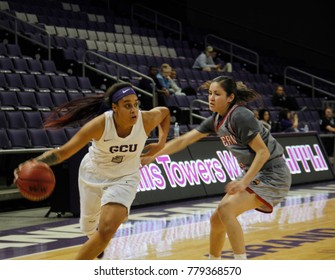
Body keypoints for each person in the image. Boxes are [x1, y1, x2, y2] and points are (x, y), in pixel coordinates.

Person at [13, 82, 171, 260]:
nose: (134, 110)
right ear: (114, 107)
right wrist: (33, 163)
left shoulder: (146, 120)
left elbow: (164, 112)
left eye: (136, 104)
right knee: (88, 226)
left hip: (125, 177)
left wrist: (161, 142)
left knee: (107, 230)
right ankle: (94, 239)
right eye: (127, 105)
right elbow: (64, 152)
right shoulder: (101, 125)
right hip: (93, 174)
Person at [141, 76, 291, 260]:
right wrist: (152, 158)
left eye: (217, 94)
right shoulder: (215, 119)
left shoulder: (240, 115)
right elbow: (183, 140)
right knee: (217, 219)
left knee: (226, 209)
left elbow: (263, 153)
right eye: (210, 93)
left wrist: (244, 182)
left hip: (273, 173)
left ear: (230, 97)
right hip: (255, 172)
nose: (211, 98)